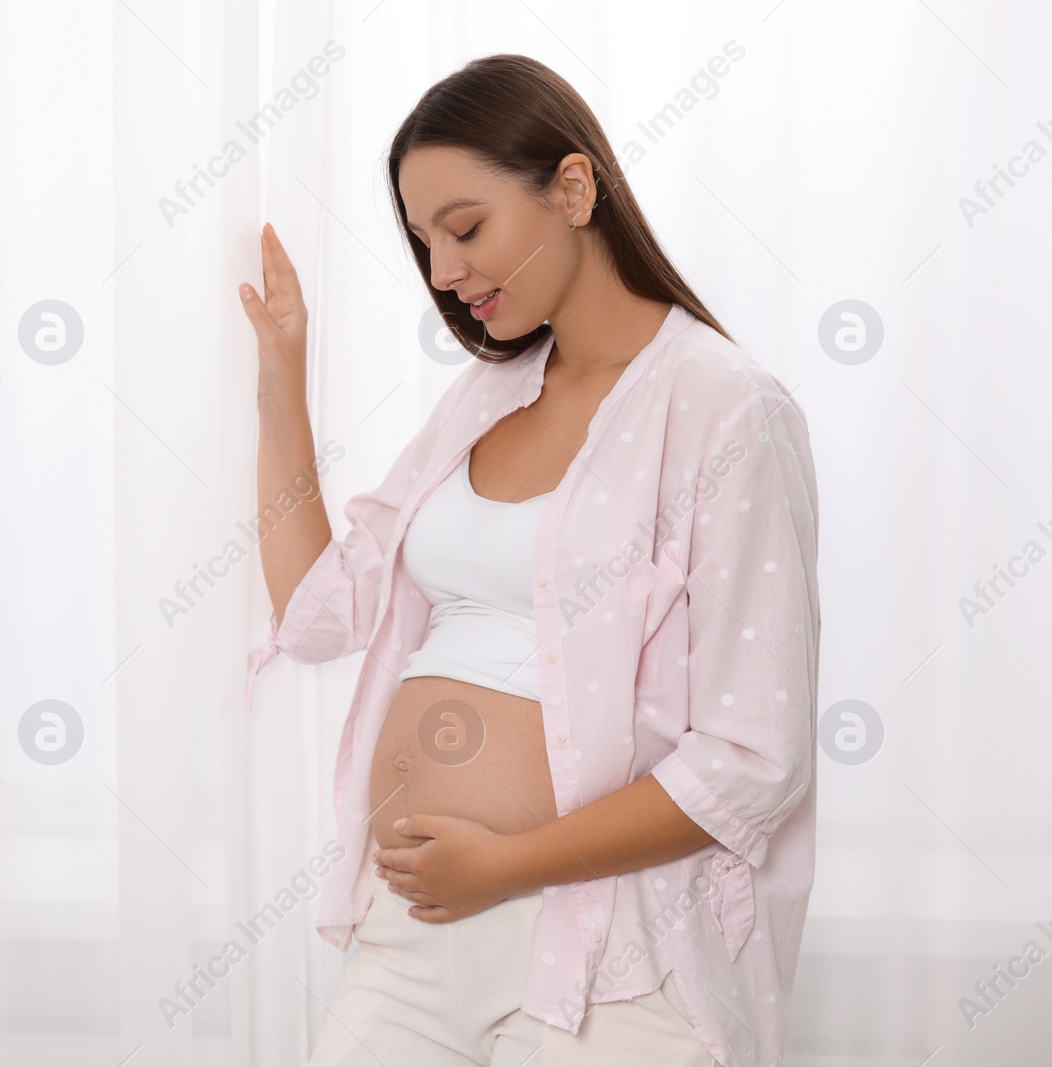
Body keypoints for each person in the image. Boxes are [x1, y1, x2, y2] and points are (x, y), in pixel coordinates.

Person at [241, 54, 820, 1067]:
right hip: (416, 929)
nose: (443, 273)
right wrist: (281, 379)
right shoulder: (486, 400)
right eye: (423, 244)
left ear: (572, 186)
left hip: (615, 954)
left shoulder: (727, 407)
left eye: (465, 229)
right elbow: (320, 612)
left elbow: (750, 759)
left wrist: (507, 862)